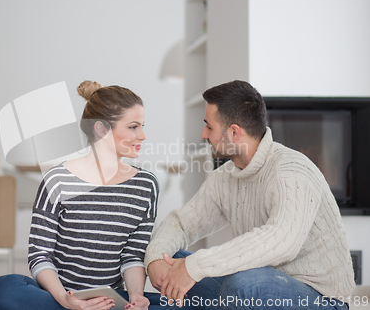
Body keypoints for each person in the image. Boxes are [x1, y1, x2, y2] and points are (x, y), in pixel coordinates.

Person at [145, 80, 355, 309]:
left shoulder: (291, 170)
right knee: (174, 259)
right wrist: (156, 259)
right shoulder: (225, 177)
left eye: (209, 126)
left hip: (320, 298)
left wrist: (195, 267)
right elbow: (182, 224)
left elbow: (282, 241)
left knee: (242, 283)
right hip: (252, 293)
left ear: (234, 132)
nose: (203, 133)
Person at [0, 81, 171, 310]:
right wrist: (65, 299)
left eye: (142, 126)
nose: (142, 135)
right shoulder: (57, 180)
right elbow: (40, 255)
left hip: (111, 300)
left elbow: (132, 255)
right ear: (101, 129)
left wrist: (136, 295)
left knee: (186, 305)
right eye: (133, 127)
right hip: (60, 296)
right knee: (3, 289)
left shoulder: (146, 185)